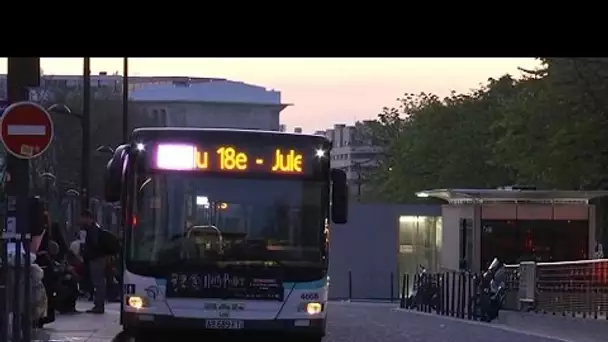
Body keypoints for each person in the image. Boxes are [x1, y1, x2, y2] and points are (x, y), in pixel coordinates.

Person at [80, 209, 119, 314]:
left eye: (83, 218)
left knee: (98, 282)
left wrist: (89, 253)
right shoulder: (95, 228)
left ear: (88, 218)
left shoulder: (92, 230)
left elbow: (94, 244)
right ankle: (98, 304)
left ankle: (99, 305)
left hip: (97, 258)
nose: (81, 220)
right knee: (100, 282)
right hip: (99, 257)